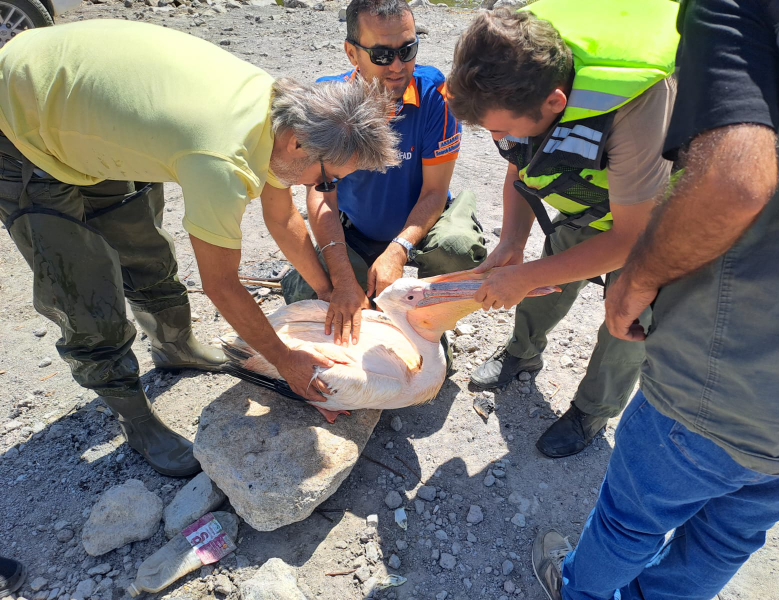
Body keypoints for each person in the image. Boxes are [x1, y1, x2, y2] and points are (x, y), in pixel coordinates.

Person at [0, 20, 398, 476]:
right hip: (23, 118)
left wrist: (327, 291)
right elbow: (221, 285)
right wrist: (285, 360)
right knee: (83, 289)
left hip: (86, 109)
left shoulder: (281, 113)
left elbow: (283, 217)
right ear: (298, 142)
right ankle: (132, 414)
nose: (324, 188)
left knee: (144, 250)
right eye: (327, 178)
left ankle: (175, 346)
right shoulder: (221, 159)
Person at [530, 0, 779, 598]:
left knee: (631, 521)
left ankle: (579, 591)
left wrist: (638, 276)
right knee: (727, 539)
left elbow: (734, 179)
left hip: (726, 380)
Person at [445, 0, 678, 458]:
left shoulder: (637, 102)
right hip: (594, 199)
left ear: (556, 102)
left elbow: (633, 239)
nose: (501, 139)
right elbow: (521, 160)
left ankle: (593, 410)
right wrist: (513, 242)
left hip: (658, 219)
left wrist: (524, 275)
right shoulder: (512, 63)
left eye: (506, 128)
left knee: (629, 314)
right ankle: (523, 352)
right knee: (550, 267)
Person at [281, 0, 486, 348]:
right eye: (381, 55)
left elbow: (434, 193)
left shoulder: (435, 95)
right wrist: (344, 278)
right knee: (309, 291)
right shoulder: (328, 101)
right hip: (358, 228)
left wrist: (399, 249)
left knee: (457, 248)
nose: (397, 66)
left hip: (420, 224)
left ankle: (430, 327)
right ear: (351, 53)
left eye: (408, 50)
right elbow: (321, 194)